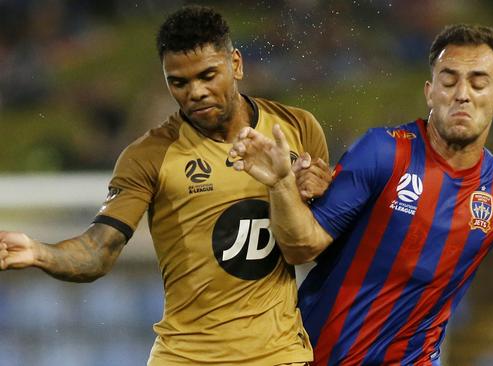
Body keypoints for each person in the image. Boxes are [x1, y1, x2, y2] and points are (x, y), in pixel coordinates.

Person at [229, 23, 493, 365]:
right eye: (449, 80)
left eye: (478, 82)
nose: (462, 93)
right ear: (430, 91)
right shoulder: (383, 152)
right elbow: (302, 246)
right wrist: (282, 183)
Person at [0, 5, 332, 365]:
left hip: (278, 354)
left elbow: (313, 245)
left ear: (236, 64)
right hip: (185, 356)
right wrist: (39, 252)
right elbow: (99, 250)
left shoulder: (297, 128)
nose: (196, 92)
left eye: (208, 75)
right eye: (179, 82)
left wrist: (320, 188)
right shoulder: (150, 155)